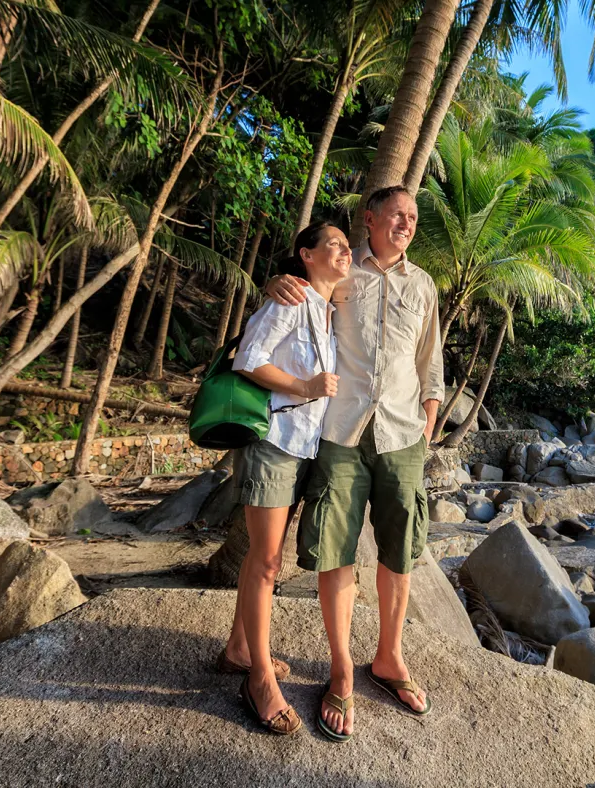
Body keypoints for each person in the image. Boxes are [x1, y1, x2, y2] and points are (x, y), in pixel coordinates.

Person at [265, 185, 444, 743]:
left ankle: (389, 658)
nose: (407, 223)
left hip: (402, 432)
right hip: (340, 430)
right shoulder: (341, 273)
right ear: (370, 219)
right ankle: (342, 668)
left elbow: (430, 359)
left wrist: (430, 417)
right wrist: (273, 282)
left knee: (400, 548)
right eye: (397, 214)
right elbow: (295, 291)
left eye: (413, 217)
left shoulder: (423, 284)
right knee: (334, 546)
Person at [218, 221, 352, 736]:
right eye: (334, 245)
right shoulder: (290, 300)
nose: (344, 251)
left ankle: (238, 649)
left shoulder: (326, 306)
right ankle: (258, 679)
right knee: (266, 560)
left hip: (304, 449)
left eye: (346, 244)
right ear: (307, 255)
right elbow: (248, 359)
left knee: (265, 558)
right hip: (274, 443)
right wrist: (305, 385)